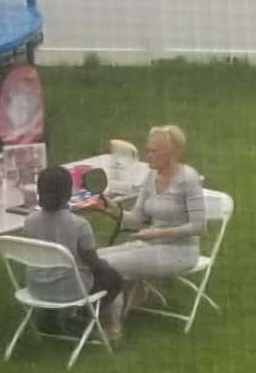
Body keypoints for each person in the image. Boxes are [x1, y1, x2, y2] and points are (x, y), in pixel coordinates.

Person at [96, 123, 208, 319]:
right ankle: (107, 312)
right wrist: (113, 210)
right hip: (150, 245)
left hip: (179, 252)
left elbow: (199, 226)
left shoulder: (188, 179)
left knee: (106, 264)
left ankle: (113, 324)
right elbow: (137, 219)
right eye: (148, 150)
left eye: (155, 151)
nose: (149, 156)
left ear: (172, 153)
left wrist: (158, 233)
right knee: (94, 257)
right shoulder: (151, 176)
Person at [12, 162, 121, 342]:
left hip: (36, 287)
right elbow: (92, 262)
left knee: (53, 269)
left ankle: (48, 318)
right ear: (69, 193)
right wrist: (106, 267)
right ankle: (80, 316)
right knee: (113, 278)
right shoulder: (79, 225)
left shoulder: (29, 221)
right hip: (70, 290)